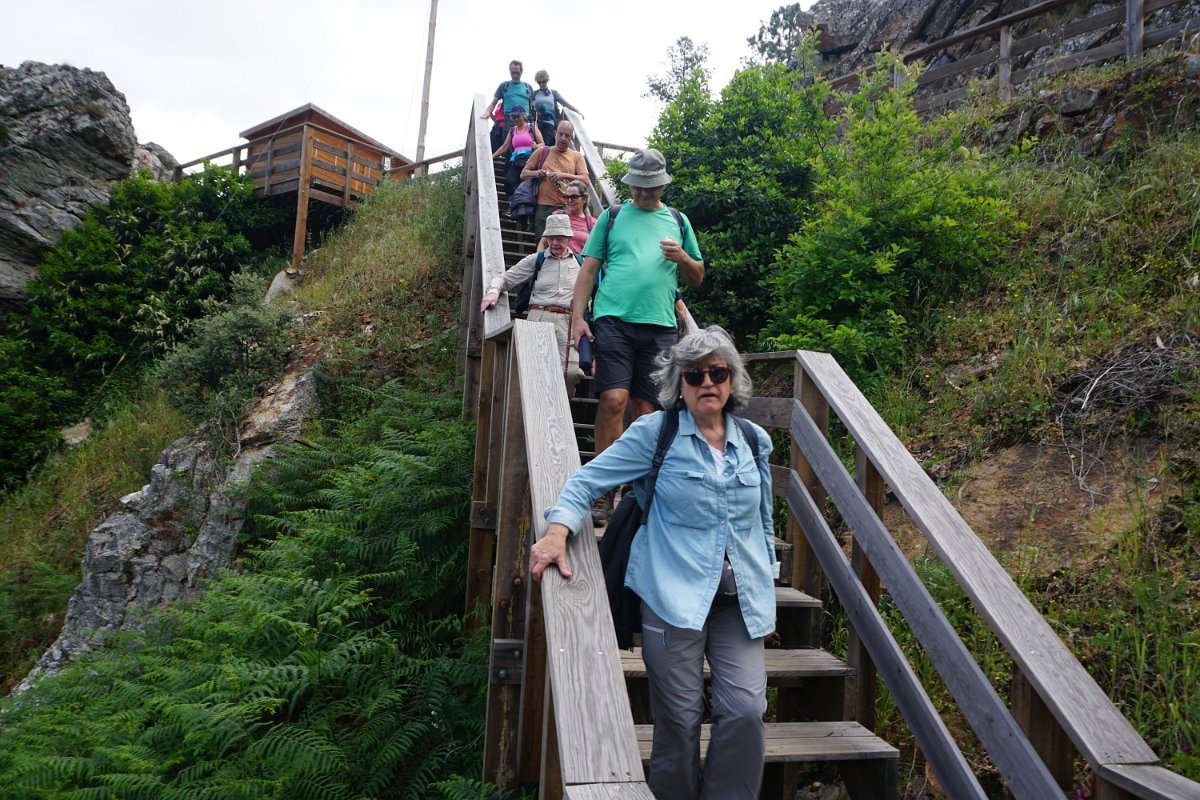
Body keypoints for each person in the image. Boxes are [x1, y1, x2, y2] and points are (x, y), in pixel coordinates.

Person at [530, 325, 775, 800]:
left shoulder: (754, 440)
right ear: (678, 383)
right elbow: (586, 482)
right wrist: (558, 532)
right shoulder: (655, 433)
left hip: (739, 602)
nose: (707, 382)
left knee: (746, 711)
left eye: (717, 372)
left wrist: (767, 592)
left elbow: (762, 524)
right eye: (694, 374)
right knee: (679, 719)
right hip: (670, 596)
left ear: (732, 379)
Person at [570, 148, 704, 521]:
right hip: (613, 319)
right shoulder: (612, 217)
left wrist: (683, 258)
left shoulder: (678, 221)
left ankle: (635, 491)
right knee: (613, 399)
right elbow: (589, 269)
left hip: (660, 326)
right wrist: (578, 318)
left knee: (646, 411)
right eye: (638, 187)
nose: (643, 193)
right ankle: (602, 490)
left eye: (651, 187)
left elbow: (697, 276)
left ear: (663, 185)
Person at [480, 213, 584, 393]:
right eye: (550, 238)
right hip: (539, 317)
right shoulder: (537, 260)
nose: (554, 243)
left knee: (570, 373)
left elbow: (590, 293)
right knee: (537, 371)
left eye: (559, 239)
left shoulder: (581, 263)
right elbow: (504, 278)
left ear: (569, 238)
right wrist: (493, 292)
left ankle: (560, 407)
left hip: (568, 322)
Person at [520, 120, 589, 240]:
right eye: (560, 134)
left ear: (571, 138)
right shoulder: (542, 151)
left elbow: (585, 180)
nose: (563, 138)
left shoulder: (576, 156)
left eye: (567, 135)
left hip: (567, 207)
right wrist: (537, 173)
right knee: (541, 241)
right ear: (555, 133)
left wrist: (564, 175)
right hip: (543, 206)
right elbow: (523, 174)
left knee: (565, 243)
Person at [492, 110, 543, 229]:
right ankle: (513, 206)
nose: (516, 119)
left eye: (518, 116)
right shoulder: (512, 131)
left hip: (530, 160)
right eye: (514, 117)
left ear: (523, 116)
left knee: (526, 188)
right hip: (516, 161)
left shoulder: (531, 127)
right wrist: (492, 156)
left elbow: (542, 143)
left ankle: (528, 216)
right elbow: (504, 147)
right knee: (509, 181)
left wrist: (536, 146)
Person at [481, 60, 534, 152]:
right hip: (510, 119)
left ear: (521, 71)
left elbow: (534, 106)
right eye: (513, 72)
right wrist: (487, 112)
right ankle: (508, 161)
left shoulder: (528, 87)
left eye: (517, 72)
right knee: (509, 146)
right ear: (510, 71)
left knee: (526, 146)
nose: (515, 75)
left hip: (525, 119)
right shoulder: (504, 85)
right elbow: (493, 103)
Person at [536, 179, 594, 255]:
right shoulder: (557, 216)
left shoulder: (592, 223)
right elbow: (543, 243)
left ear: (584, 199)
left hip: (580, 262)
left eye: (574, 197)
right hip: (555, 261)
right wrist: (539, 259)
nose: (569, 200)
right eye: (566, 197)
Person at [531, 69, 582, 146]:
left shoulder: (553, 93)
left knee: (547, 145)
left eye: (543, 82)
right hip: (537, 124)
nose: (541, 84)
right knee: (537, 145)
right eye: (539, 82)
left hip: (549, 124)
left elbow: (565, 103)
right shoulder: (535, 93)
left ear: (547, 80)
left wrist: (577, 111)